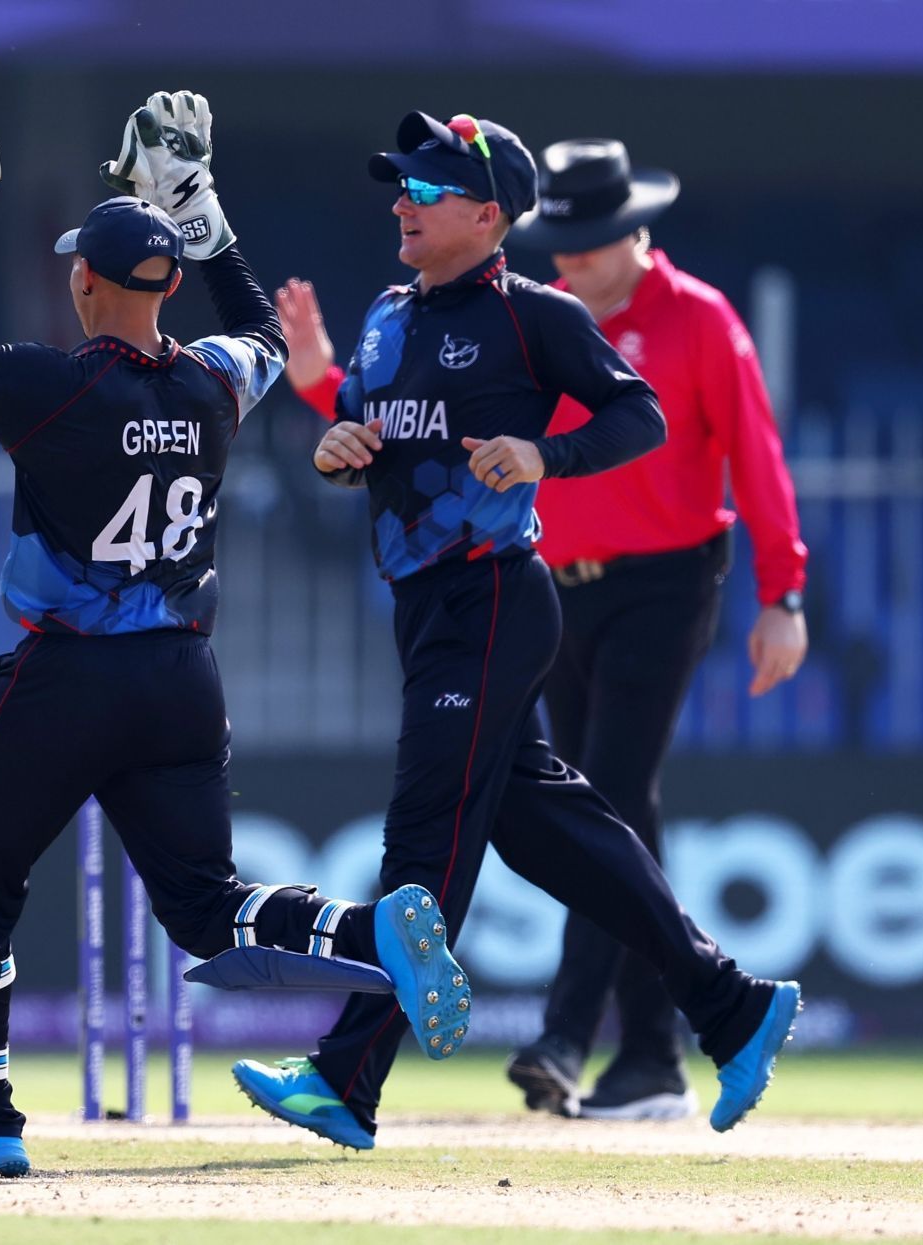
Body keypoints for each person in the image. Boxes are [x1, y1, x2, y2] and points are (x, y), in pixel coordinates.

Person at [0, 90, 475, 1179]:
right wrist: (200, 210)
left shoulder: (46, 384)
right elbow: (272, 334)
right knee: (206, 906)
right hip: (183, 677)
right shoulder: (212, 383)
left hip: (66, 681)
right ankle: (372, 935)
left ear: (81, 280)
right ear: (169, 281)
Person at [229, 110, 800, 1151]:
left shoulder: (534, 315)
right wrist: (335, 443)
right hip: (425, 606)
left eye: (425, 190)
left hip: (492, 597)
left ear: (490, 215)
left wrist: (546, 457)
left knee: (423, 830)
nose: (400, 202)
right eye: (398, 186)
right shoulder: (390, 315)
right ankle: (731, 1003)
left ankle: (345, 1076)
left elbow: (640, 416)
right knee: (560, 838)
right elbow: (367, 425)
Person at [500, 139, 810, 1121]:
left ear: (635, 235)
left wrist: (783, 594)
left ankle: (561, 1030)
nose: (572, 261)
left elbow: (755, 457)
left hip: (668, 583)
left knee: (606, 791)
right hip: (559, 587)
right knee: (623, 817)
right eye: (562, 243)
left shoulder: (699, 321)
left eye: (589, 244)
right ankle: (649, 1058)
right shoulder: (538, 317)